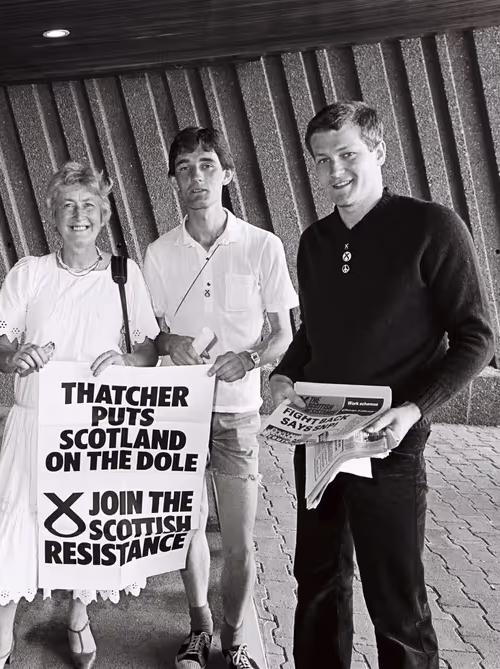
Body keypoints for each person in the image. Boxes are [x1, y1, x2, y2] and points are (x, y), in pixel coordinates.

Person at [268, 100, 495, 669]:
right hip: (319, 437)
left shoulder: (431, 227)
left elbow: (477, 337)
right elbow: (313, 336)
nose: (335, 170)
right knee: (317, 585)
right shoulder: (314, 242)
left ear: (379, 152)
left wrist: (415, 409)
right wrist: (283, 374)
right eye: (323, 160)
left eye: (347, 154)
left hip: (389, 443)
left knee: (396, 603)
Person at [0, 161, 161, 669]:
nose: (79, 215)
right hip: (35, 423)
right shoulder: (29, 273)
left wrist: (126, 361)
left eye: (89, 205)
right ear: (53, 215)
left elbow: (148, 350)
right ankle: (0, 643)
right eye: (68, 206)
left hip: (98, 428)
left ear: (105, 214)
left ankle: (77, 616)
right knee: (18, 525)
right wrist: (17, 356)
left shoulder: (125, 275)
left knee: (88, 528)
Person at [142, 127, 298, 669]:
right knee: (185, 530)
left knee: (239, 541)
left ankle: (234, 640)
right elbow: (148, 336)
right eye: (185, 168)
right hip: (177, 413)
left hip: (237, 415)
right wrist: (169, 343)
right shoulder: (158, 252)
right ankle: (199, 627)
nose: (197, 177)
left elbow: (283, 334)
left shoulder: (262, 245)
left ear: (227, 174)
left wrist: (251, 359)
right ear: (173, 181)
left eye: (207, 165)